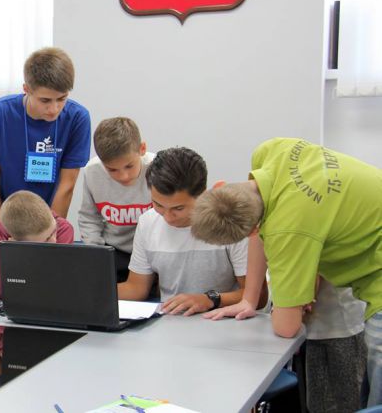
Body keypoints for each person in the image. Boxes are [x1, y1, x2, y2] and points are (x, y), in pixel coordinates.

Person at [192, 137, 381, 407]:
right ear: (220, 186)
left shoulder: (288, 230)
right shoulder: (271, 151)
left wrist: (288, 300)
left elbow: (287, 326)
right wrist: (249, 298)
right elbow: (261, 219)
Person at [118, 147, 266, 315]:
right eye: (158, 205)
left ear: (202, 194)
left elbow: (259, 297)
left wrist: (209, 299)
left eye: (178, 208)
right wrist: (93, 292)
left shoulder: (229, 221)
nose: (168, 217)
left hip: (221, 319)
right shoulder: (148, 222)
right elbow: (136, 288)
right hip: (168, 320)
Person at [0, 47, 91, 228]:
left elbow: (66, 187)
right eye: (45, 100)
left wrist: (49, 234)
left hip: (48, 224)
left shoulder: (77, 118)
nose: (54, 109)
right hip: (2, 221)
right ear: (26, 89)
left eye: (61, 99)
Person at [78, 117, 154, 282]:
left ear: (142, 149)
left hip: (152, 251)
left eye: (129, 166)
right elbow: (89, 217)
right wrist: (95, 254)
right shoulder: (92, 171)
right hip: (114, 251)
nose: (123, 176)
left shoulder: (157, 168)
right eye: (112, 170)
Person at [0, 190, 74, 299]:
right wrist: (17, 251)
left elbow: (56, 282)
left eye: (53, 231)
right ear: (18, 241)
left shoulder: (63, 228)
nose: (54, 241)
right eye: (46, 240)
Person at [303, 278, 367, 413]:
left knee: (348, 404)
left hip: (344, 324)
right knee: (317, 405)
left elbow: (311, 277)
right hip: (314, 326)